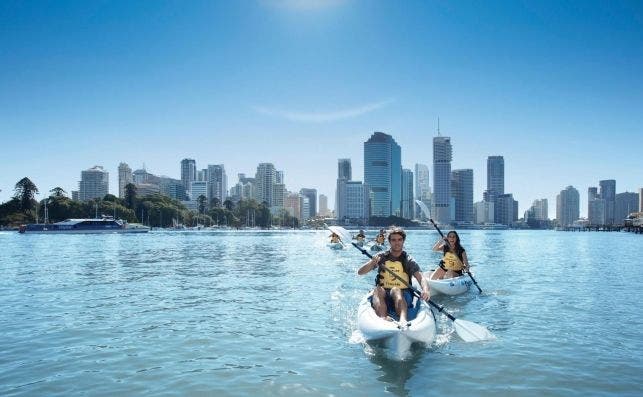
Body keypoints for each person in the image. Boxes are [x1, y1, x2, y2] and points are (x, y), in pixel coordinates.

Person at [358, 227, 430, 327]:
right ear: (389, 242)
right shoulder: (381, 257)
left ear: (403, 241)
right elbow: (360, 272)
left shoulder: (408, 260)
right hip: (384, 293)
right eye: (394, 240)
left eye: (400, 240)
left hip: (403, 294)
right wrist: (371, 263)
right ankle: (384, 318)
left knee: (396, 290)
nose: (397, 243)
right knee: (378, 290)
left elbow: (420, 277)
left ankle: (403, 321)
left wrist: (425, 290)